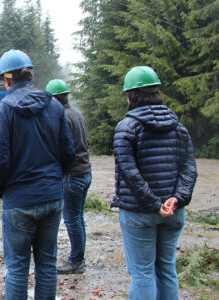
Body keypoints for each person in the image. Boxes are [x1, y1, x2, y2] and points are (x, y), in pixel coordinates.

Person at [0, 49, 75, 300]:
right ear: (31, 74)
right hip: (51, 198)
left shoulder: (3, 110)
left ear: (6, 80)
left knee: (17, 269)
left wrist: (0, 188)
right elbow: (68, 152)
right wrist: (53, 180)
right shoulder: (55, 107)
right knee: (47, 266)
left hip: (18, 201)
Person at [112, 66, 197, 300]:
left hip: (139, 213)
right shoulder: (179, 128)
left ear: (130, 96)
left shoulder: (126, 127)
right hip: (173, 212)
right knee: (167, 269)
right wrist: (177, 199)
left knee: (142, 273)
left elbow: (129, 171)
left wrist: (152, 203)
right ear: (157, 92)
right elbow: (189, 168)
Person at [45, 79, 92, 274]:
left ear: (55, 98)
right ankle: (78, 257)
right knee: (78, 217)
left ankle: (76, 261)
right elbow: (86, 143)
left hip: (72, 175)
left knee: (72, 218)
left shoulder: (62, 117)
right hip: (85, 172)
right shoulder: (77, 114)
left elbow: (63, 149)